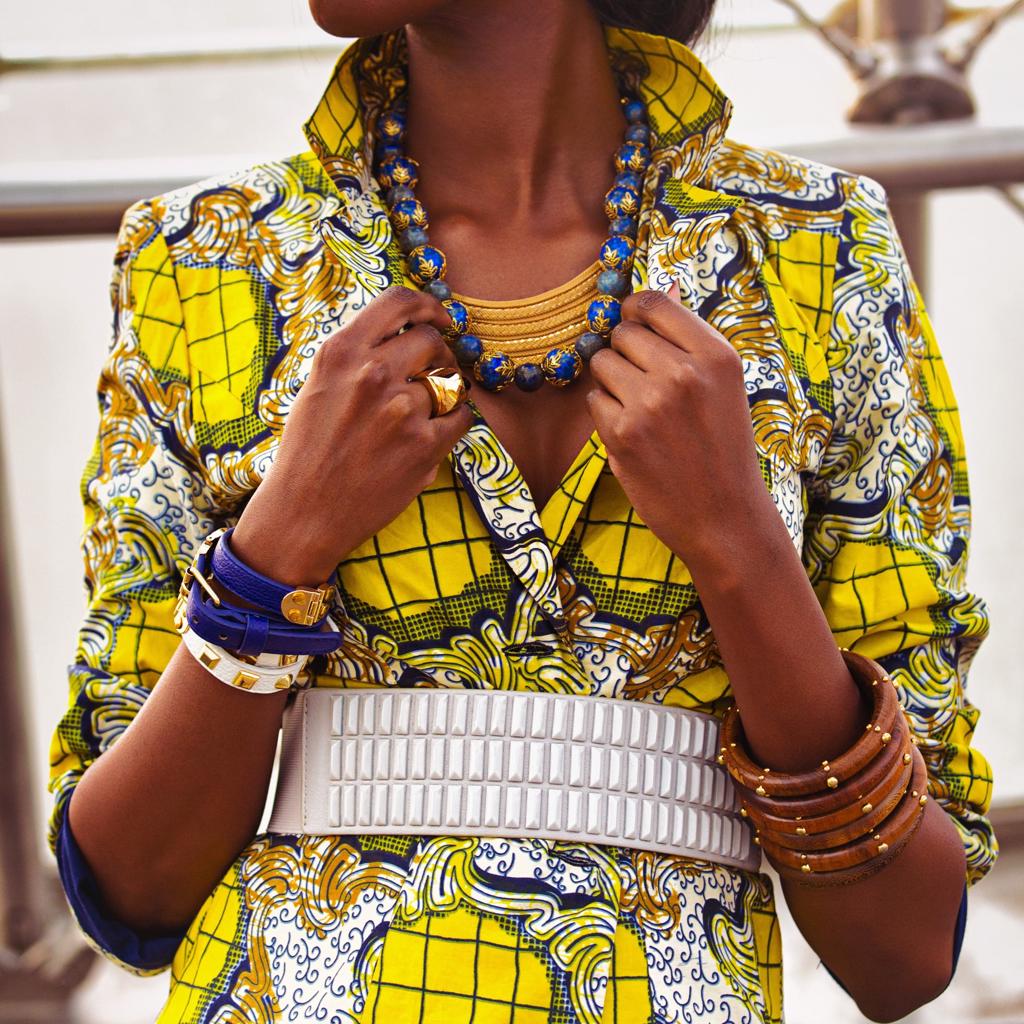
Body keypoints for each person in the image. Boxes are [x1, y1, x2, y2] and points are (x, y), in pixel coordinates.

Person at [46, 2, 996, 1022]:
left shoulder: (818, 253)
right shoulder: (203, 261)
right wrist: (276, 551)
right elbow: (128, 890)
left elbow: (903, 950)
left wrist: (741, 548)